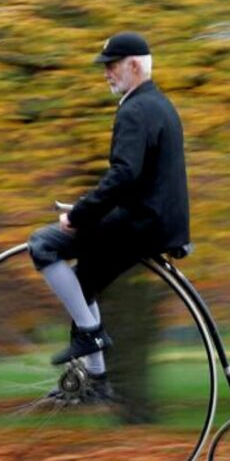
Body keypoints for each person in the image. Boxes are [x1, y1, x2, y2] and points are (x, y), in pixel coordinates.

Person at [28, 31, 191, 403]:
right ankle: (97, 380)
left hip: (142, 224)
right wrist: (86, 212)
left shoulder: (135, 109)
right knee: (83, 281)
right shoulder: (160, 104)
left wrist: (82, 214)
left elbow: (124, 174)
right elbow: (141, 178)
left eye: (111, 66)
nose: (106, 74)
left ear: (134, 65)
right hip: (156, 220)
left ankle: (90, 335)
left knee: (43, 244)